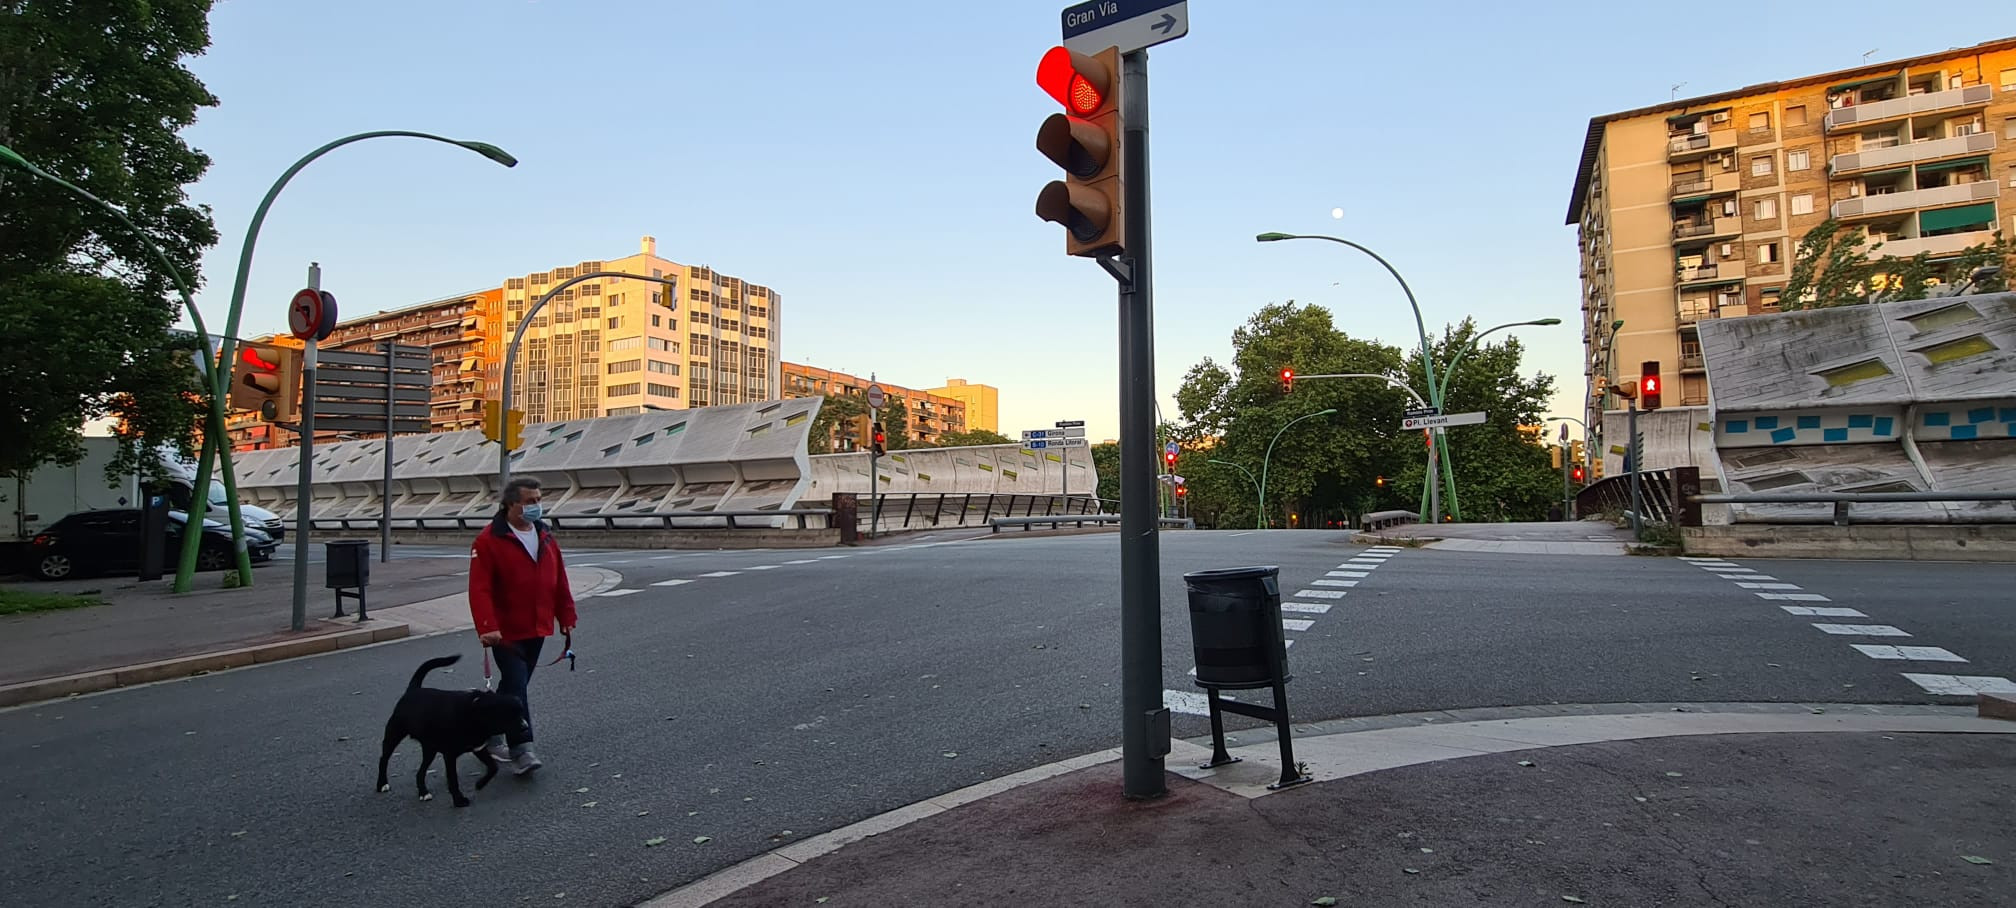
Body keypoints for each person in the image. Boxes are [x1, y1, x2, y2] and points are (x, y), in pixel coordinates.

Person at [468, 476, 577, 775]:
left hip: (537, 626)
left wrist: (566, 617)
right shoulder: (488, 541)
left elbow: (559, 581)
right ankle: (522, 748)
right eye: (530, 501)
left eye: (538, 500)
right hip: (505, 630)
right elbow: (480, 589)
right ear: (511, 504)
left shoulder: (545, 536)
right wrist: (487, 626)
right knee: (517, 687)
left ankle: (486, 728)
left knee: (515, 685)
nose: (536, 506)